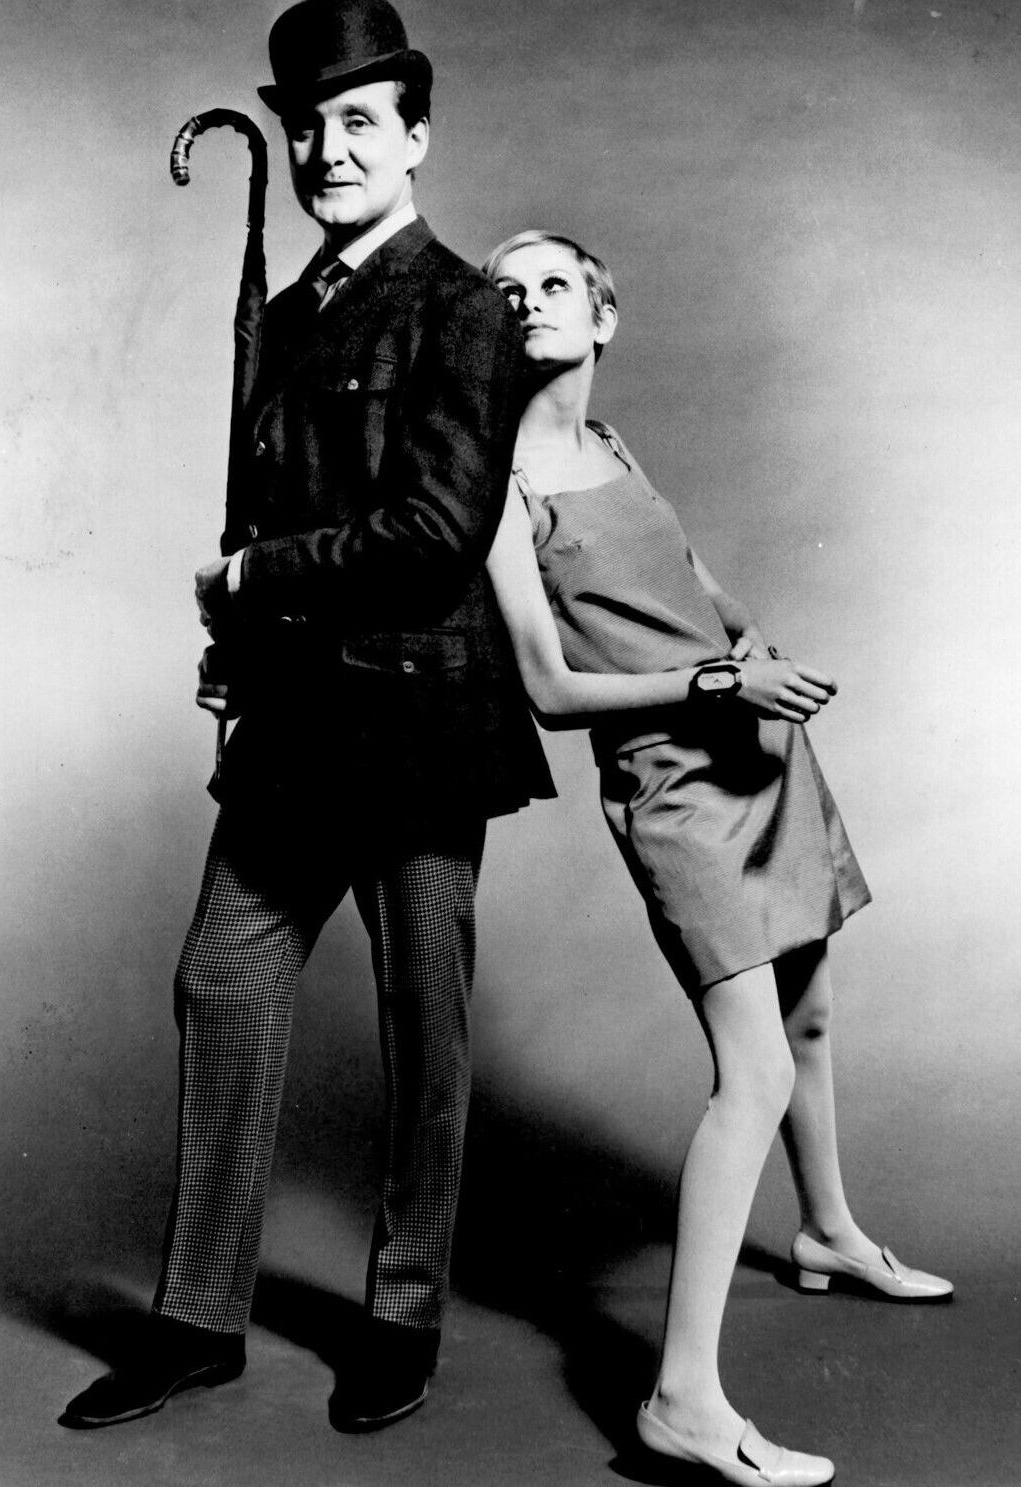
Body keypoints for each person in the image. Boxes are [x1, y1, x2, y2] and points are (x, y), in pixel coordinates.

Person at [60, 0, 554, 1435]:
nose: (328, 150)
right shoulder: (287, 317)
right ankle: (197, 1318)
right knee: (222, 980)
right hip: (296, 723)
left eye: (358, 122)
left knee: (423, 1023)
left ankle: (401, 1313)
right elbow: (282, 510)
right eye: (306, 127)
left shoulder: (464, 308)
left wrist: (253, 579)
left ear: (415, 137)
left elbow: (435, 534)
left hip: (422, 723)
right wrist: (242, 640)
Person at [478, 230, 953, 1487]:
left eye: (555, 285)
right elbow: (549, 688)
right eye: (505, 291)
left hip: (754, 739)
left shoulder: (611, 445)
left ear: (604, 315)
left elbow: (690, 579)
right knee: (751, 1068)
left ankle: (829, 1229)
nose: (529, 303)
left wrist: (756, 650)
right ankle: (681, 1400)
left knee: (809, 1014)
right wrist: (713, 680)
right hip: (672, 782)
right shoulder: (495, 486)